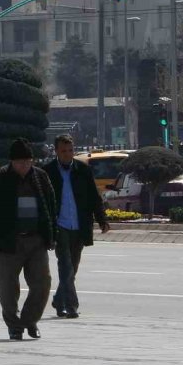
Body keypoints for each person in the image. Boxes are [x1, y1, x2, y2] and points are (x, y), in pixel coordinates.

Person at [0, 139, 57, 340]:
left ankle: (30, 320)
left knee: (42, 283)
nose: (24, 165)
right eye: (20, 162)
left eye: (28, 161)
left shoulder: (40, 177)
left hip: (36, 240)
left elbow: (50, 206)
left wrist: (51, 235)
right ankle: (14, 326)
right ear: (12, 162)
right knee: (7, 288)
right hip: (7, 241)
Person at [43, 135, 110, 320]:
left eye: (70, 150)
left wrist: (102, 219)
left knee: (73, 267)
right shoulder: (47, 172)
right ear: (56, 151)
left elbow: (94, 197)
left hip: (79, 225)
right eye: (63, 151)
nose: (67, 154)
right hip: (59, 225)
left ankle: (58, 300)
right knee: (65, 266)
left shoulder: (83, 170)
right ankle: (71, 306)